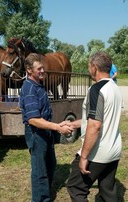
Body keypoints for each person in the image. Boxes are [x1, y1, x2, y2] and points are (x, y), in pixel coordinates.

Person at [66, 51, 123, 202]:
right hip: (114, 150)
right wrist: (74, 124)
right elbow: (101, 118)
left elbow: (95, 125)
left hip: (98, 152)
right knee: (107, 191)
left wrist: (84, 156)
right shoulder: (115, 88)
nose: (88, 69)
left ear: (94, 67)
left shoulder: (96, 90)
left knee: (75, 187)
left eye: (89, 66)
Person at [19, 53, 73, 201]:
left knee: (50, 163)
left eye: (43, 68)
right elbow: (33, 120)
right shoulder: (30, 90)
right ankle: (41, 199)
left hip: (45, 131)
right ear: (29, 70)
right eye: (39, 69)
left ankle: (46, 192)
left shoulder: (38, 84)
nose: (43, 71)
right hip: (36, 133)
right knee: (39, 170)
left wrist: (56, 126)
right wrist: (57, 127)